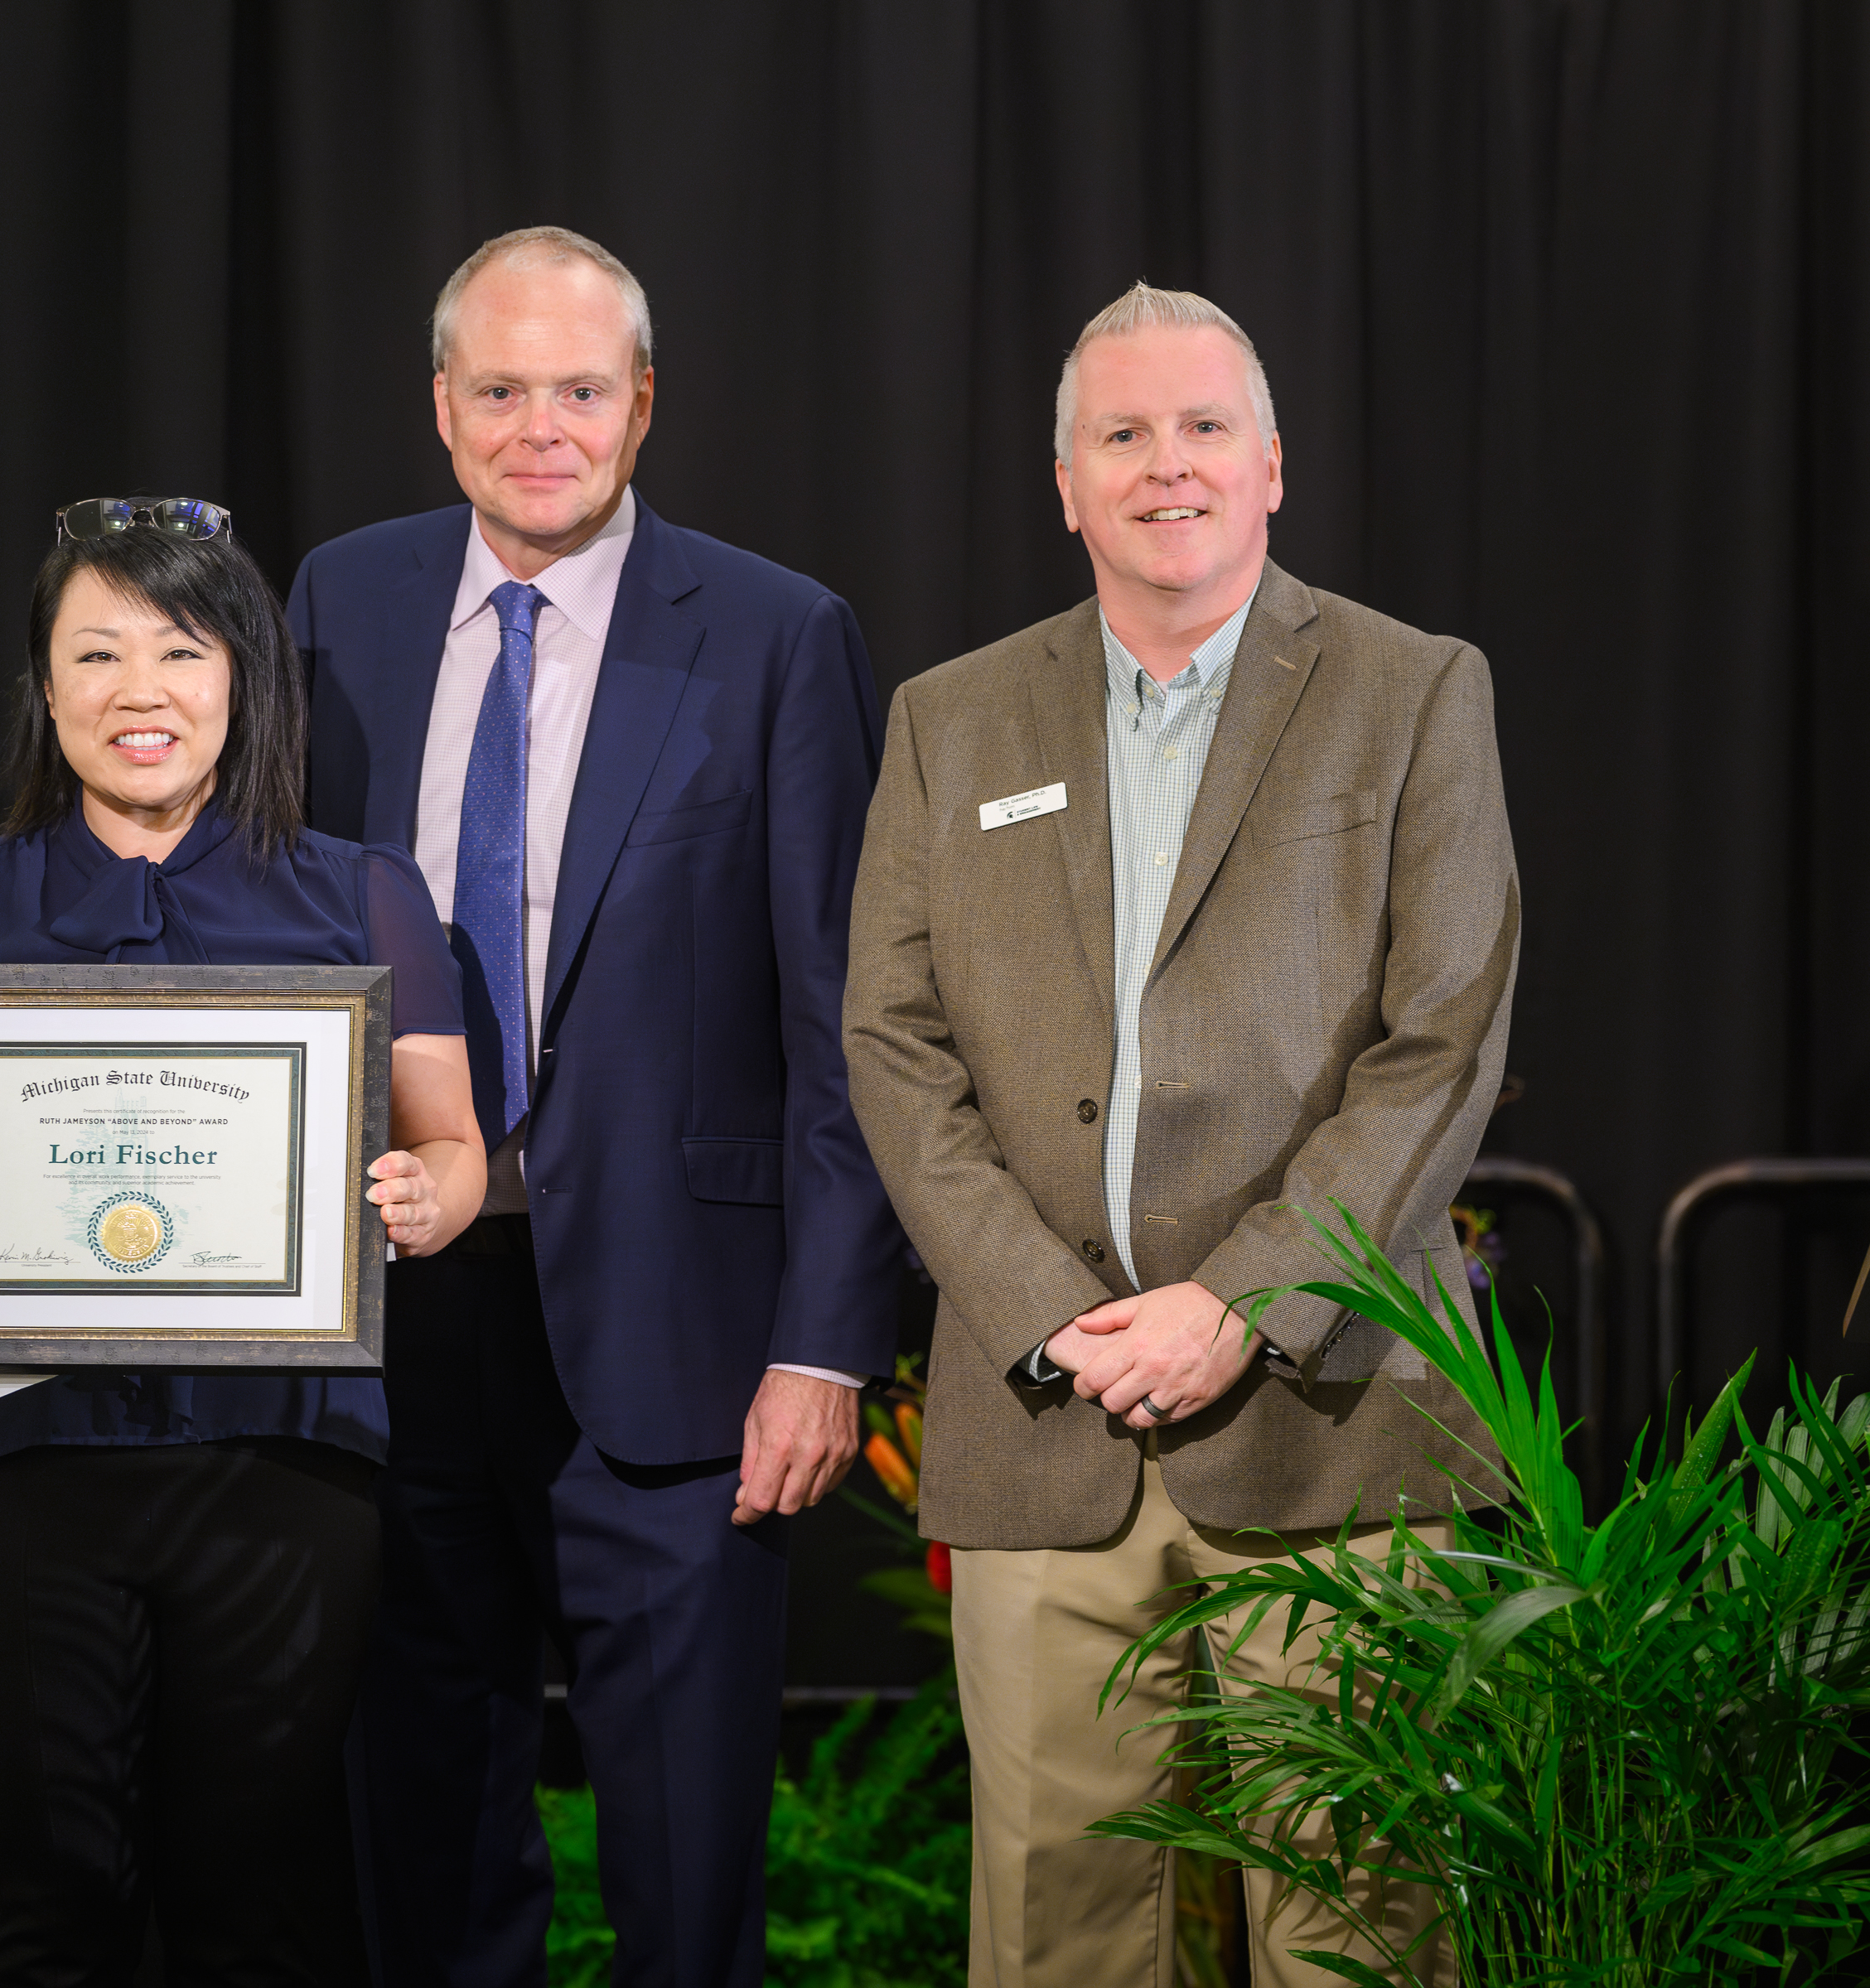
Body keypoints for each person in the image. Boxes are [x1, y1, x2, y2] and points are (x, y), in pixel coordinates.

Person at [842, 283, 1518, 1985]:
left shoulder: (1415, 691)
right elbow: (893, 1045)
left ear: (1273, 465)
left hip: (1333, 1423)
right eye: (1122, 435)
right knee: (1062, 1932)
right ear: (1063, 484)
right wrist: (1052, 1317)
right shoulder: (950, 719)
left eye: (1206, 427)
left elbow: (1443, 1045)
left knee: (1366, 1927)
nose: (1169, 467)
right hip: (1043, 1417)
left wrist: (1237, 1305)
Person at [290, 226, 906, 1987]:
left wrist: (826, 1345)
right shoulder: (343, 600)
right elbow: (294, 945)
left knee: (683, 1865)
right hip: (396, 1321)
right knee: (421, 1836)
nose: (538, 426)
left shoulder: (781, 634)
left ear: (643, 404)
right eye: (501, 389)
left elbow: (844, 1018)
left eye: (578, 389)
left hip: (687, 1341)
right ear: (441, 408)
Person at [0, 499, 484, 1986]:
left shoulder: (361, 893)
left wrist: (427, 1198)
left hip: (287, 1462)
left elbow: (452, 1142)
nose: (139, 691)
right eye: (95, 653)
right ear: (45, 691)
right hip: (28, 1467)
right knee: (51, 1898)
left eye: (179, 651)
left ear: (240, 676)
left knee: (262, 1901)